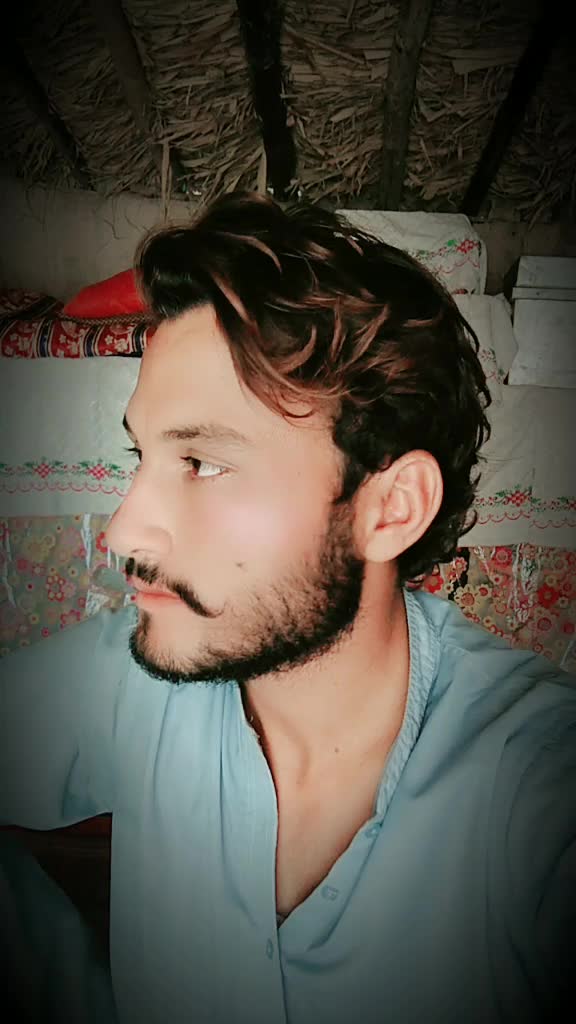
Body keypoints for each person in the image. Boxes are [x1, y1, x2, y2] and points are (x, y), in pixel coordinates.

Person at [0, 191, 574, 1024]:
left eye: (202, 462)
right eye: (141, 456)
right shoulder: (134, 671)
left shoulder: (538, 783)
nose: (123, 530)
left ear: (390, 509)